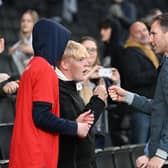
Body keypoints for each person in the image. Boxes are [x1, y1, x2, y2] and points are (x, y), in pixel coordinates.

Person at [9, 18, 91, 168]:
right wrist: (75, 127)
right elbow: (41, 115)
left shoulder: (32, 66)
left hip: (24, 152)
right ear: (53, 42)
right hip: (36, 155)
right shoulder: (45, 70)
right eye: (60, 42)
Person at [108, 13, 168, 168]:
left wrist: (160, 154)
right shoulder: (164, 63)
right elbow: (159, 107)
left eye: (153, 33)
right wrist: (128, 97)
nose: (149, 39)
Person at [56, 40, 107, 168]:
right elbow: (81, 127)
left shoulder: (70, 88)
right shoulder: (59, 91)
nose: (87, 63)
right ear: (65, 64)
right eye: (80, 60)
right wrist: (98, 99)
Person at [121, 21, 159, 144]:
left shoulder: (151, 51)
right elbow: (133, 79)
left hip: (153, 107)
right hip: (139, 109)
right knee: (140, 149)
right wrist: (158, 72)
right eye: (138, 32)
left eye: (144, 30)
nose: (143, 34)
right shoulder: (129, 53)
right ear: (131, 36)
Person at [8, 9, 39, 75]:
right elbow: (11, 51)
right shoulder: (19, 44)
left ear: (34, 23)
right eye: (23, 21)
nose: (25, 23)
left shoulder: (39, 40)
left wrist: (33, 50)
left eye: (29, 21)